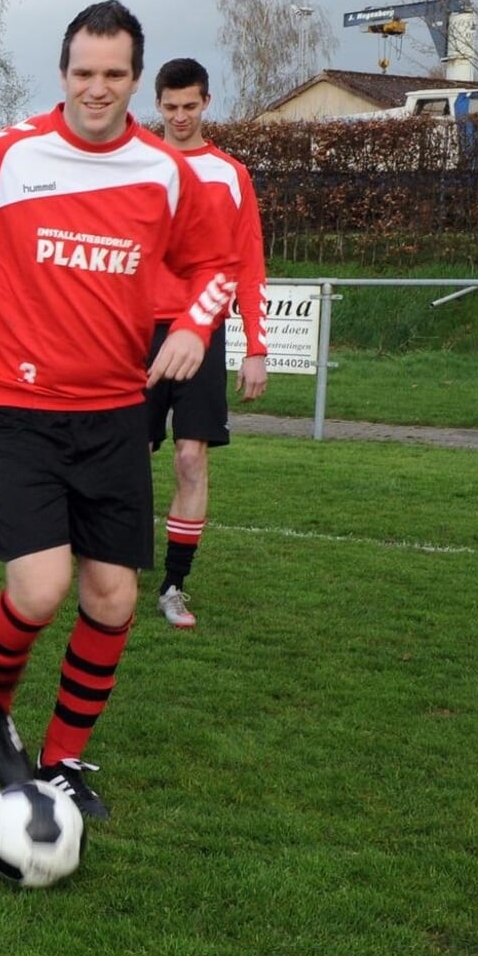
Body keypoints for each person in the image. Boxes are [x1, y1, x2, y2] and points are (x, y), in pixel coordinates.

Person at [0, 0, 241, 818]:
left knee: (113, 596)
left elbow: (216, 263)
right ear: (62, 73)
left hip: (116, 412)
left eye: (114, 75)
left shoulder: (166, 171)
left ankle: (64, 758)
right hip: (17, 409)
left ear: (135, 80)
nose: (98, 89)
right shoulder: (10, 155)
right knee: (42, 587)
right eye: (83, 73)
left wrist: (197, 324)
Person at [149, 57, 270, 628]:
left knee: (191, 459)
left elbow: (249, 264)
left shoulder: (230, 174)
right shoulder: (136, 165)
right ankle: (106, 564)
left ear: (206, 103)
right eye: (170, 107)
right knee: (119, 457)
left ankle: (174, 585)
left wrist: (255, 347)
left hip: (201, 332)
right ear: (158, 105)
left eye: (189, 106)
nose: (179, 116)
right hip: (133, 335)